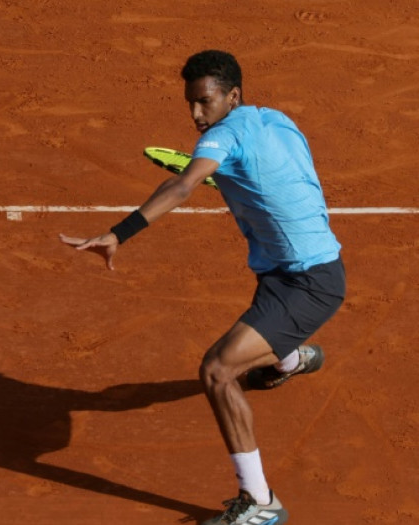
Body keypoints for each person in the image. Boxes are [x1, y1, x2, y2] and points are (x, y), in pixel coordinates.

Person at [60, 50, 345, 525]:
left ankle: (260, 502)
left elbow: (183, 187)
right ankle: (291, 358)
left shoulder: (221, 138)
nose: (196, 114)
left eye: (205, 102)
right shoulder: (276, 120)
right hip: (286, 271)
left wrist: (119, 233)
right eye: (191, 103)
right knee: (264, 324)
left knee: (216, 370)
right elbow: (283, 177)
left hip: (309, 284)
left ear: (232, 96)